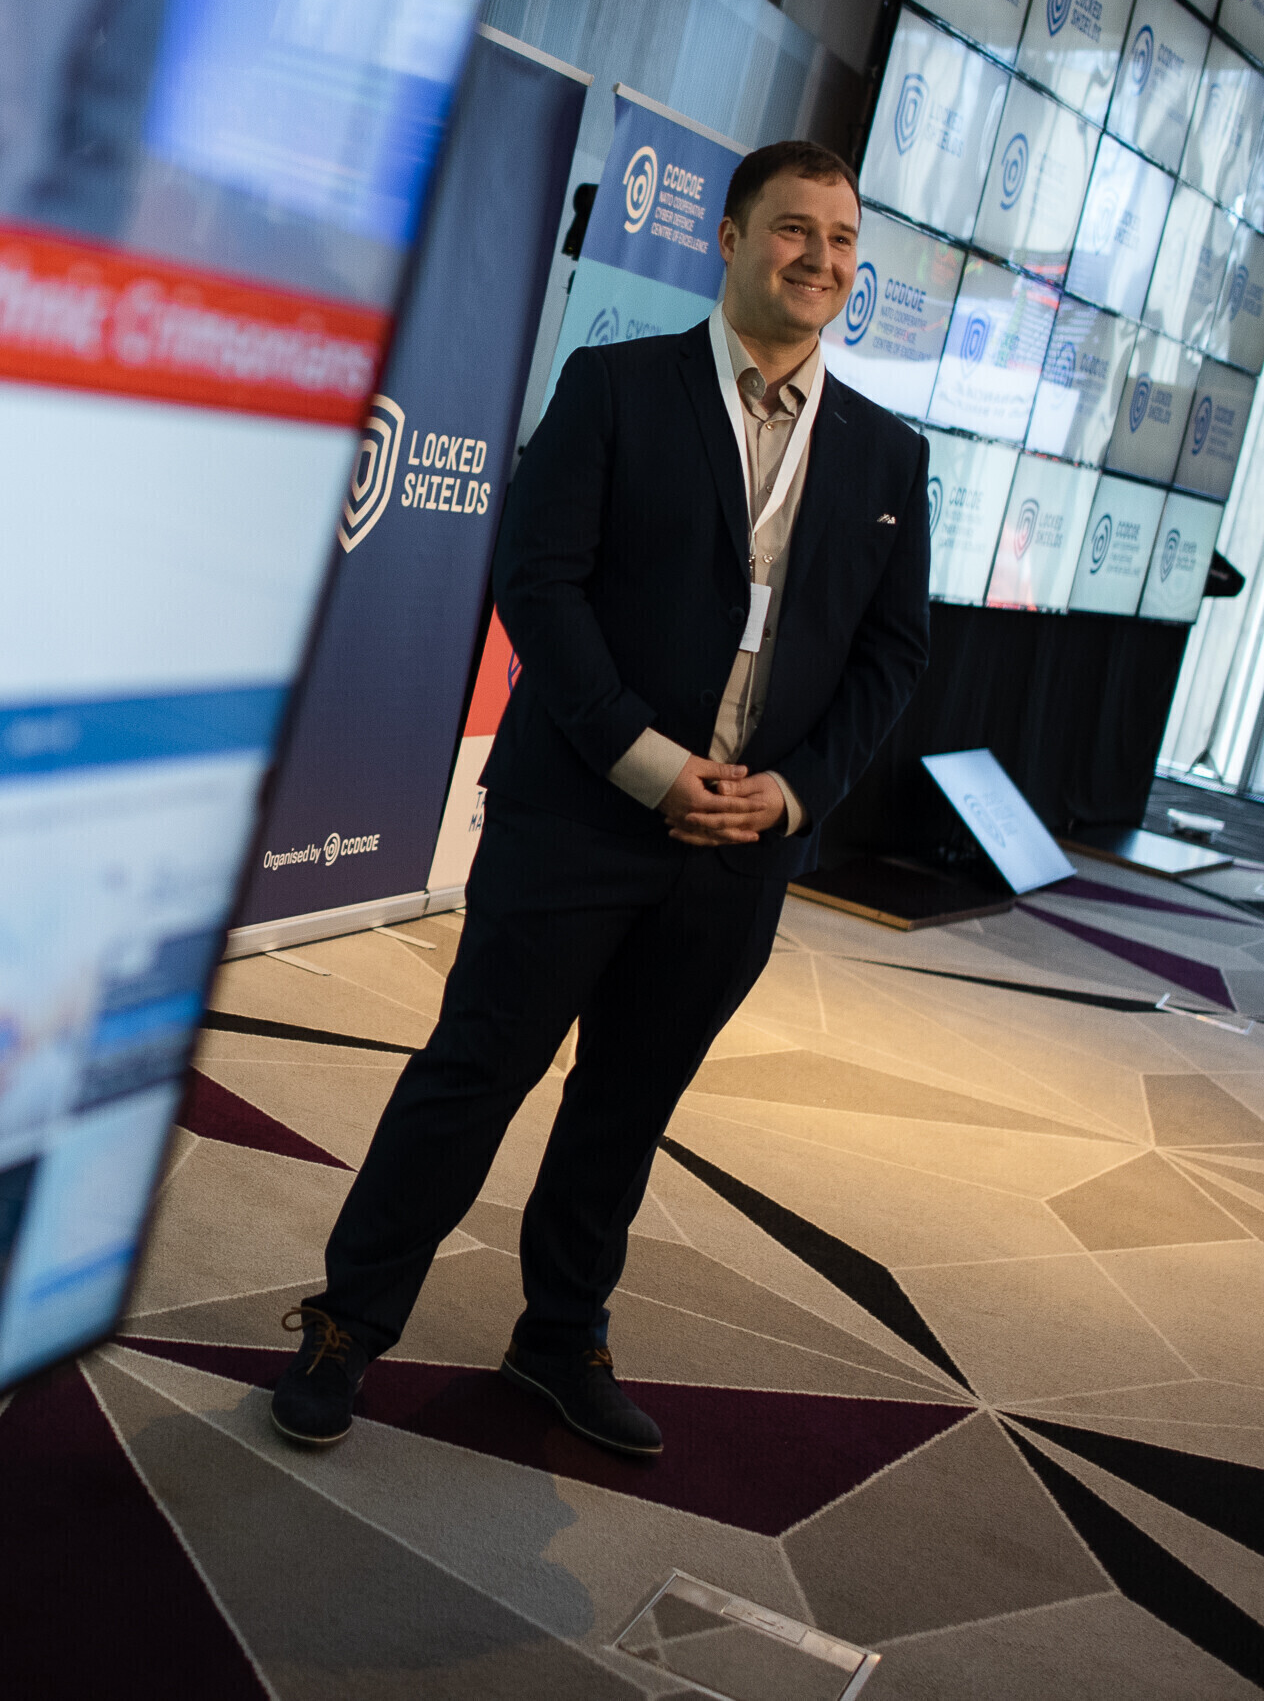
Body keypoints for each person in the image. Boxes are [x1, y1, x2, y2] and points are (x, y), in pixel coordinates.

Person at [269, 140, 929, 1454]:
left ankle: (560, 1335)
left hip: (739, 852)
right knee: (476, 1073)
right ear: (730, 240)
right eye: (794, 230)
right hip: (579, 817)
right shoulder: (618, 387)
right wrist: (647, 760)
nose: (821, 259)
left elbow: (890, 655)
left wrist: (792, 796)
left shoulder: (887, 456)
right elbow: (538, 580)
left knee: (629, 1105)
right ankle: (348, 1325)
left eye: (844, 239)